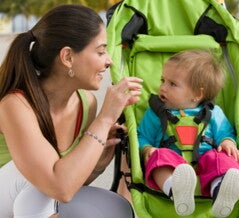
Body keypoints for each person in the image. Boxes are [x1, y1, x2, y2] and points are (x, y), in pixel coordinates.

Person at [0, 4, 143, 218]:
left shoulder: (86, 103)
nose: (109, 61)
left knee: (115, 209)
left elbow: (71, 185)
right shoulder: (15, 104)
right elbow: (59, 187)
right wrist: (104, 120)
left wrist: (97, 163)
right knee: (36, 182)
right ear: (67, 57)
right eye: (101, 51)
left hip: (35, 204)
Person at [137, 50, 239, 217]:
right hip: (173, 165)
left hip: (206, 162)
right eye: (163, 80)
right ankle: (175, 189)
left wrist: (227, 142)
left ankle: (221, 190)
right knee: (158, 157)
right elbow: (142, 136)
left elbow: (226, 132)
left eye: (172, 84)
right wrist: (146, 149)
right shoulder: (156, 113)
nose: (163, 87)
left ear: (197, 94)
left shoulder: (213, 113)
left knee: (223, 157)